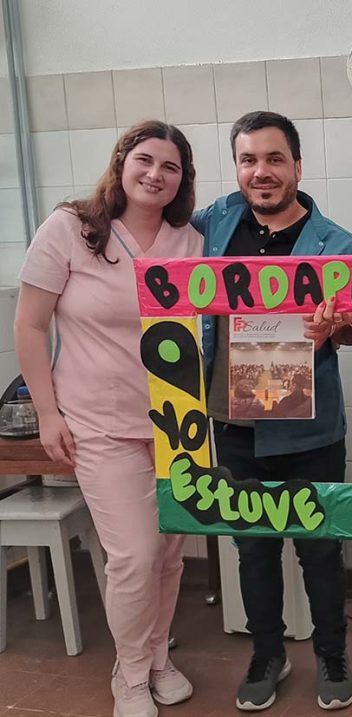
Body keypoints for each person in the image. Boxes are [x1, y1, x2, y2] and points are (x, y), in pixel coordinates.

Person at [14, 121, 202, 717]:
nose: (155, 175)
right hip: (98, 424)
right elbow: (29, 326)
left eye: (170, 167)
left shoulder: (190, 241)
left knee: (170, 552)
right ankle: (129, 675)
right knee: (135, 557)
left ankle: (156, 659)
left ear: (183, 180)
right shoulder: (70, 229)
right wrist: (47, 413)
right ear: (121, 162)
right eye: (145, 160)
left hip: (177, 427)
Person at [192, 111, 352, 712]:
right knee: (253, 545)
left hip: (308, 428)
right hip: (231, 422)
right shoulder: (214, 224)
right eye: (248, 160)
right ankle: (267, 654)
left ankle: (332, 653)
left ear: (296, 165)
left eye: (273, 159)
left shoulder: (340, 246)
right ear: (237, 167)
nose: (260, 172)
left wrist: (337, 325)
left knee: (319, 545)